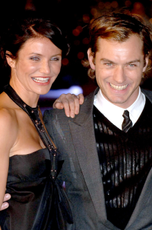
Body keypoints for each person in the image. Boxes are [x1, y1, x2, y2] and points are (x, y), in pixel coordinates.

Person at [43, 12, 152, 229]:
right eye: (109, 64)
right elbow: (38, 191)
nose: (119, 78)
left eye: (131, 64)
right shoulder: (60, 121)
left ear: (146, 60)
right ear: (92, 59)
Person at [0, 13, 74, 229]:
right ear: (10, 58)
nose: (46, 70)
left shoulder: (37, 113)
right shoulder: (4, 118)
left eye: (55, 59)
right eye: (35, 58)